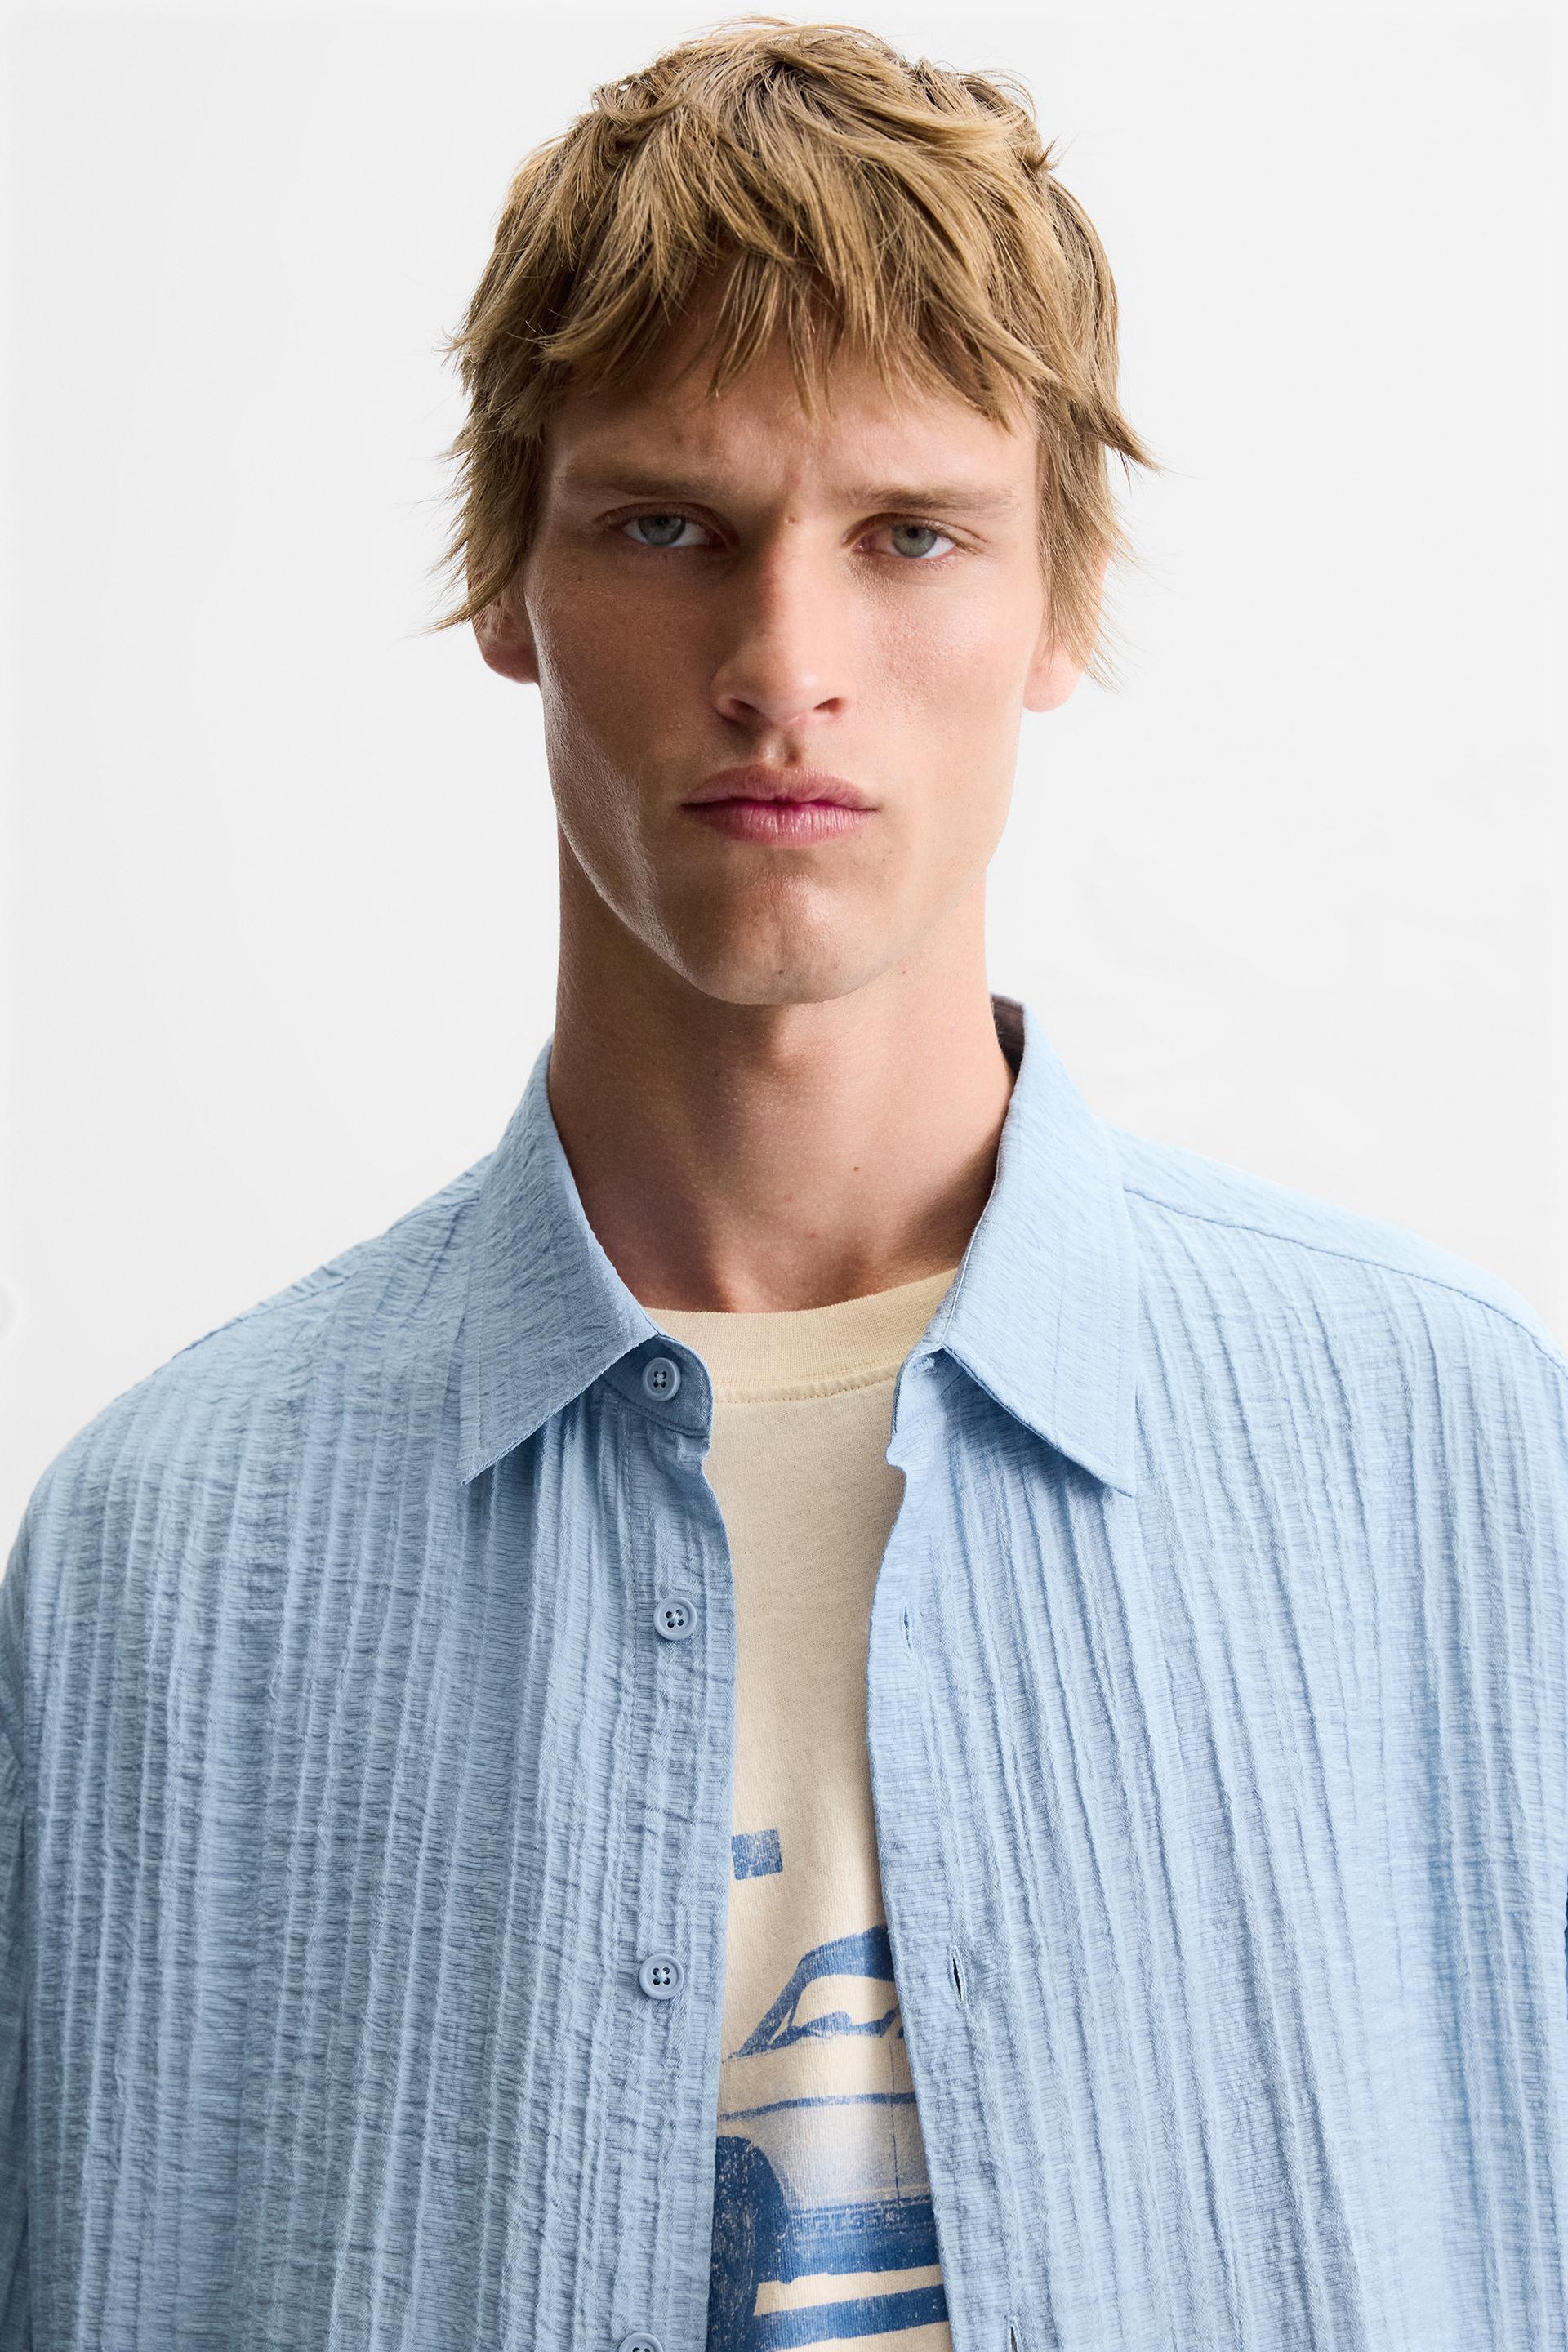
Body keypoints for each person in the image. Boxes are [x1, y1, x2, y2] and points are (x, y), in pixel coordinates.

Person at [3, 16, 1566, 2350]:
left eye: (909, 535)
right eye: (670, 528)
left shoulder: (1456, 1456)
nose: (784, 667)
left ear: (1058, 601)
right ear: (506, 582)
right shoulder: (170, 1553)